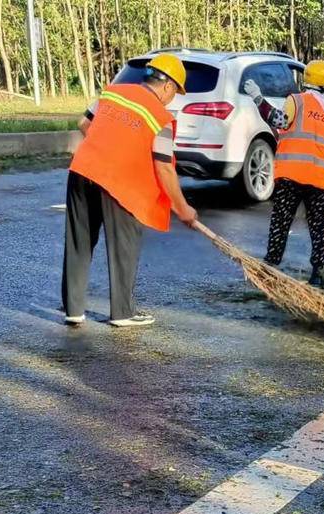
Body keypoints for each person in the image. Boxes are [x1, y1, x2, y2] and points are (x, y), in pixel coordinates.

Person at [62, 53, 198, 328]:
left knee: (79, 240)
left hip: (83, 170)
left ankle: (73, 310)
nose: (174, 98)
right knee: (124, 243)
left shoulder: (113, 92)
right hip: (118, 182)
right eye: (176, 92)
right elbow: (164, 168)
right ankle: (122, 312)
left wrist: (107, 148)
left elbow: (84, 123)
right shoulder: (160, 117)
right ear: (168, 86)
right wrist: (183, 209)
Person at [243, 59, 324, 287]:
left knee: (281, 221)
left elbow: (279, 121)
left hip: (291, 176)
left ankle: (269, 265)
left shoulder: (296, 101)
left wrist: (258, 98)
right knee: (318, 228)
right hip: (319, 180)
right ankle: (317, 273)